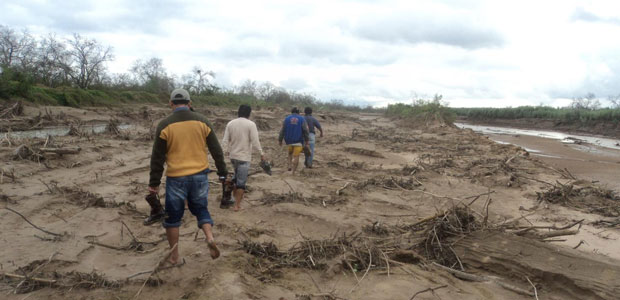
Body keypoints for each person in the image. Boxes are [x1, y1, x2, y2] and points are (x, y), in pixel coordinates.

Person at [148, 88, 228, 264]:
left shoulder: (164, 125)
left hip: (176, 178)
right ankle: (209, 237)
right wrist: (223, 172)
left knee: (172, 218)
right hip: (200, 175)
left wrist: (153, 184)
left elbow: (157, 158)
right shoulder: (203, 122)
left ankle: (174, 256)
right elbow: (216, 151)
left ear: (171, 104)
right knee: (201, 209)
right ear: (190, 103)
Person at [221, 104, 266, 212]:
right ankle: (237, 205)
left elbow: (225, 141)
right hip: (244, 157)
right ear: (249, 113)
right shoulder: (251, 124)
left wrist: (223, 153)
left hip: (233, 156)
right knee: (241, 182)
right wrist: (261, 153)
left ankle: (232, 198)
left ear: (238, 112)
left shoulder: (231, 123)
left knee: (236, 178)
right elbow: (255, 141)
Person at [278, 107, 309, 174]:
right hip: (298, 141)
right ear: (298, 112)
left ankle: (289, 165)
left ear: (291, 112)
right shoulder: (302, 119)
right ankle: (293, 172)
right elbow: (305, 130)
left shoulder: (287, 119)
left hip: (289, 141)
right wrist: (307, 140)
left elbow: (282, 130)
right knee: (296, 156)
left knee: (289, 154)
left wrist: (280, 140)